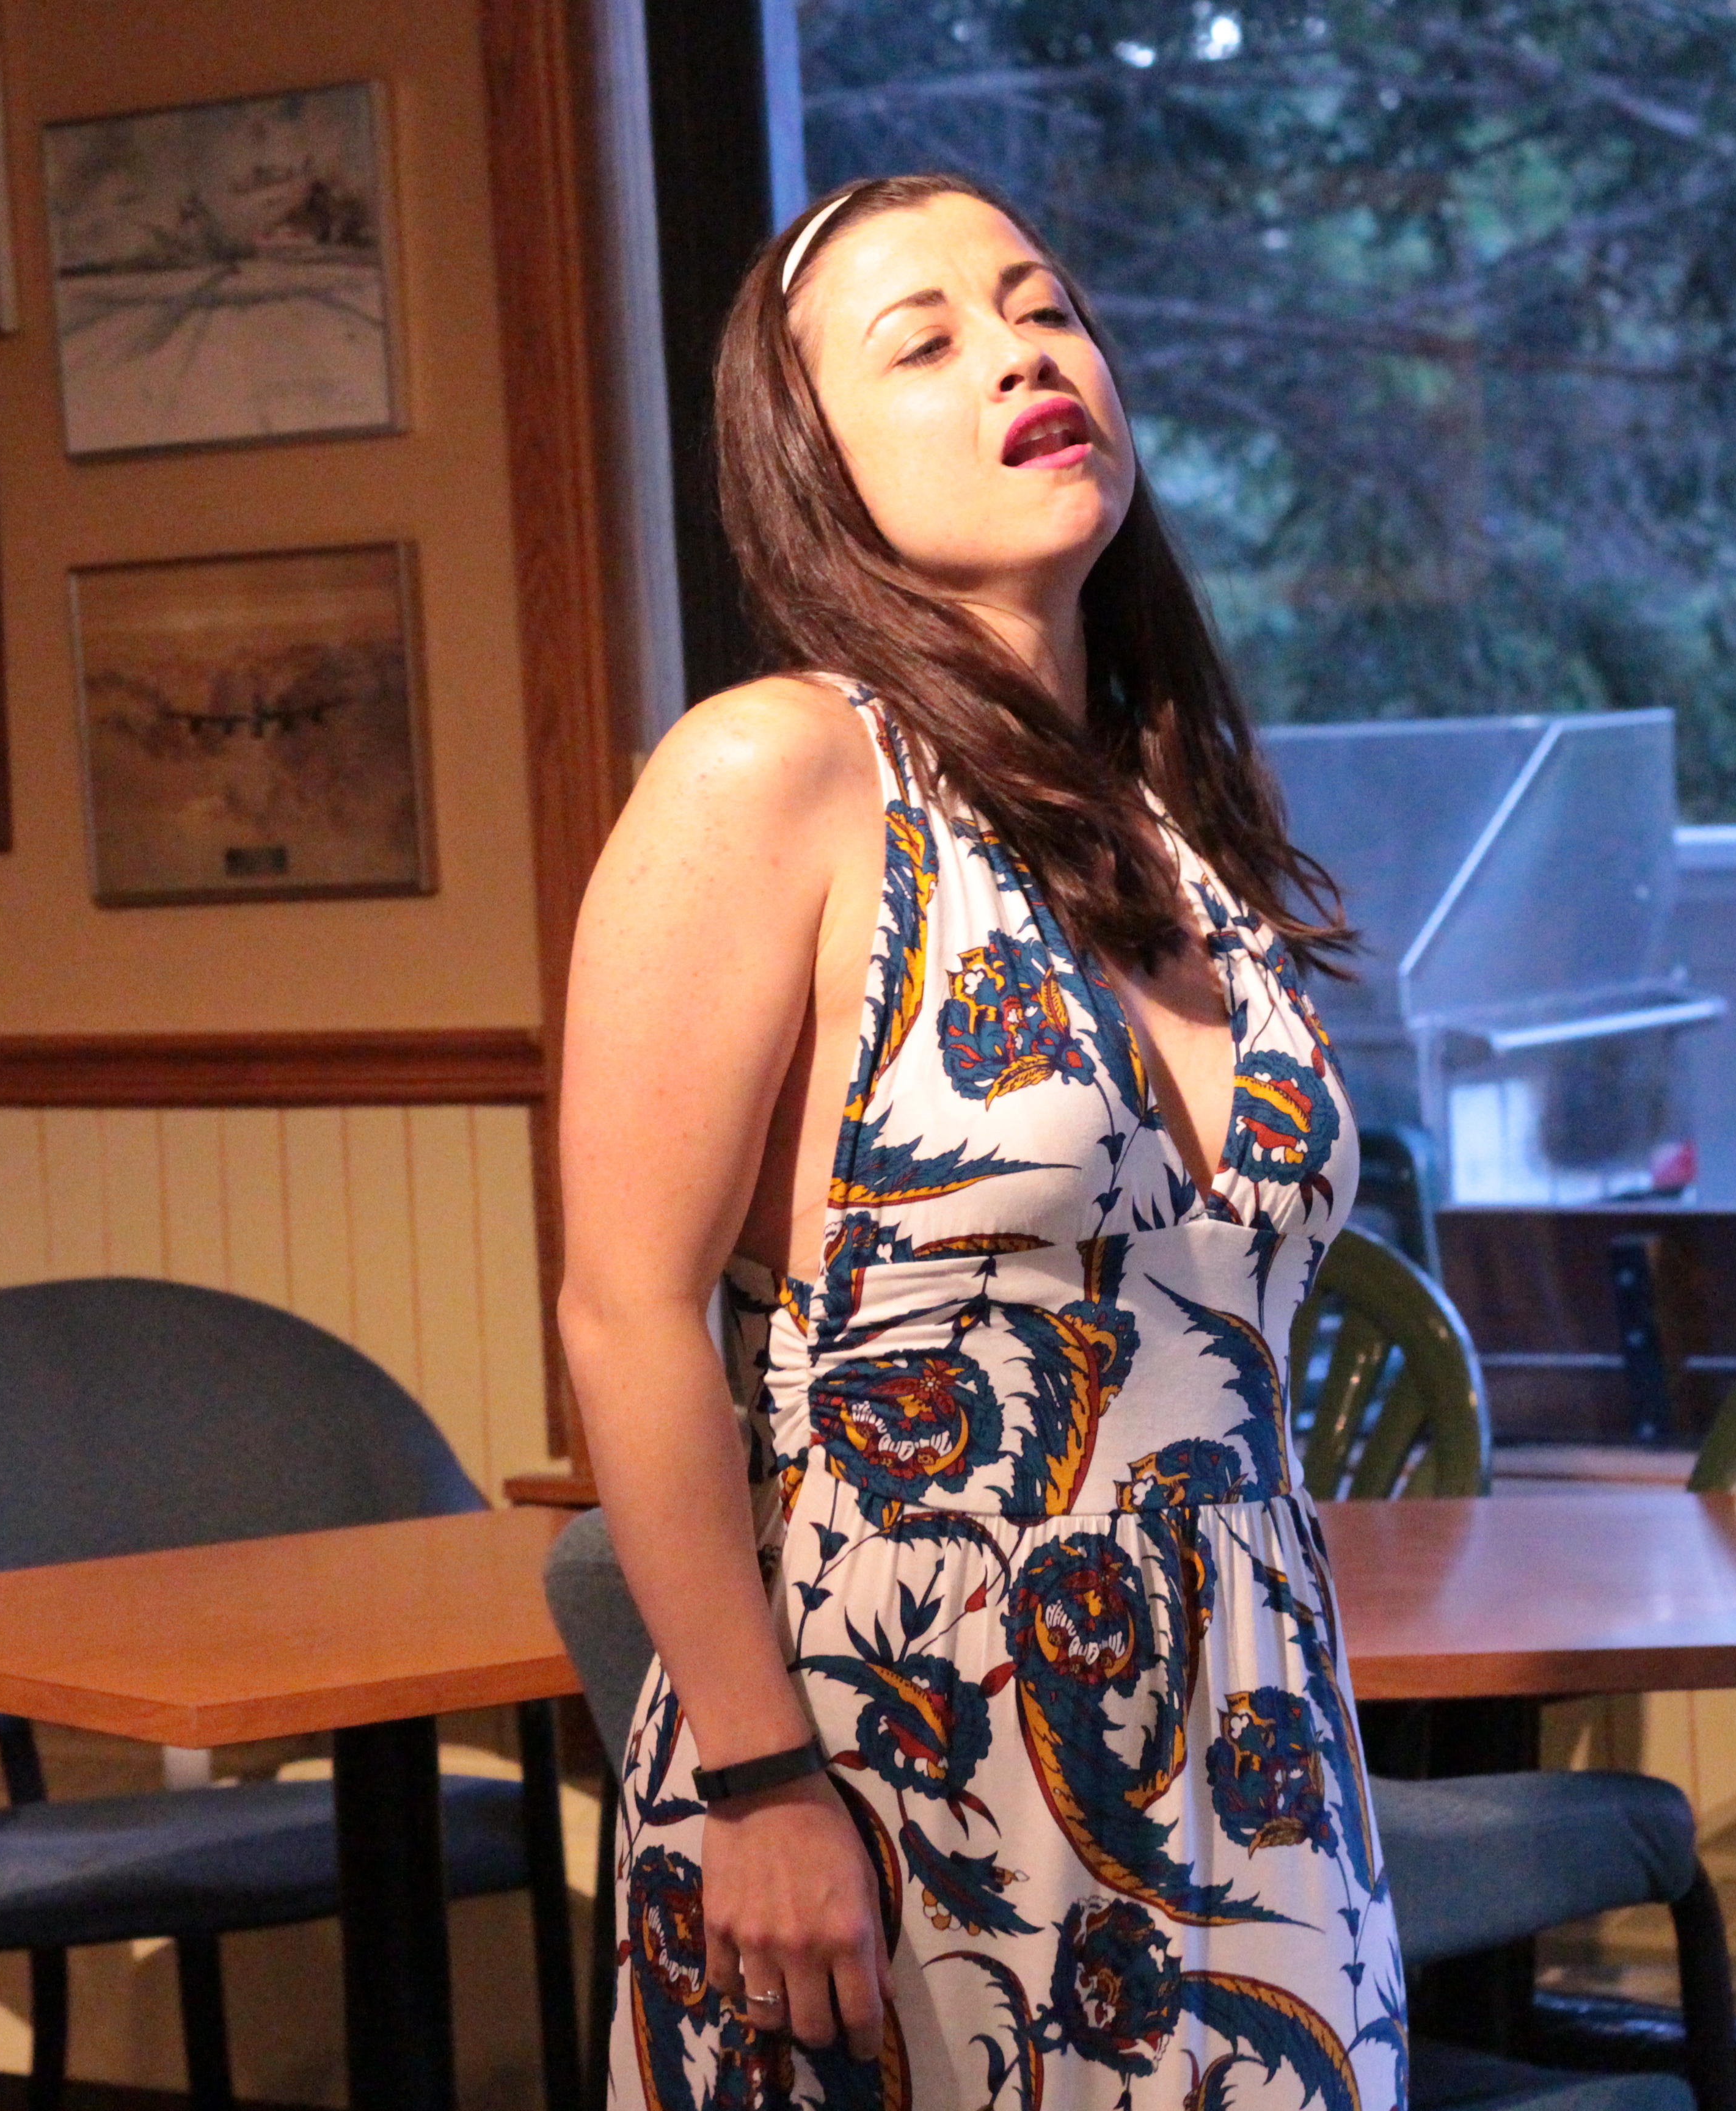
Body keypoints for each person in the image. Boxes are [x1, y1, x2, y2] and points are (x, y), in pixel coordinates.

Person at [558, 173, 1399, 2109]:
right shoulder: (776, 769)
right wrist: (761, 1781)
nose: (1021, 356)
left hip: (1256, 1738)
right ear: (812, 463)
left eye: (1042, 310)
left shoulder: (1182, 816)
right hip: (886, 1755)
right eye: (923, 342)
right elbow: (625, 1307)